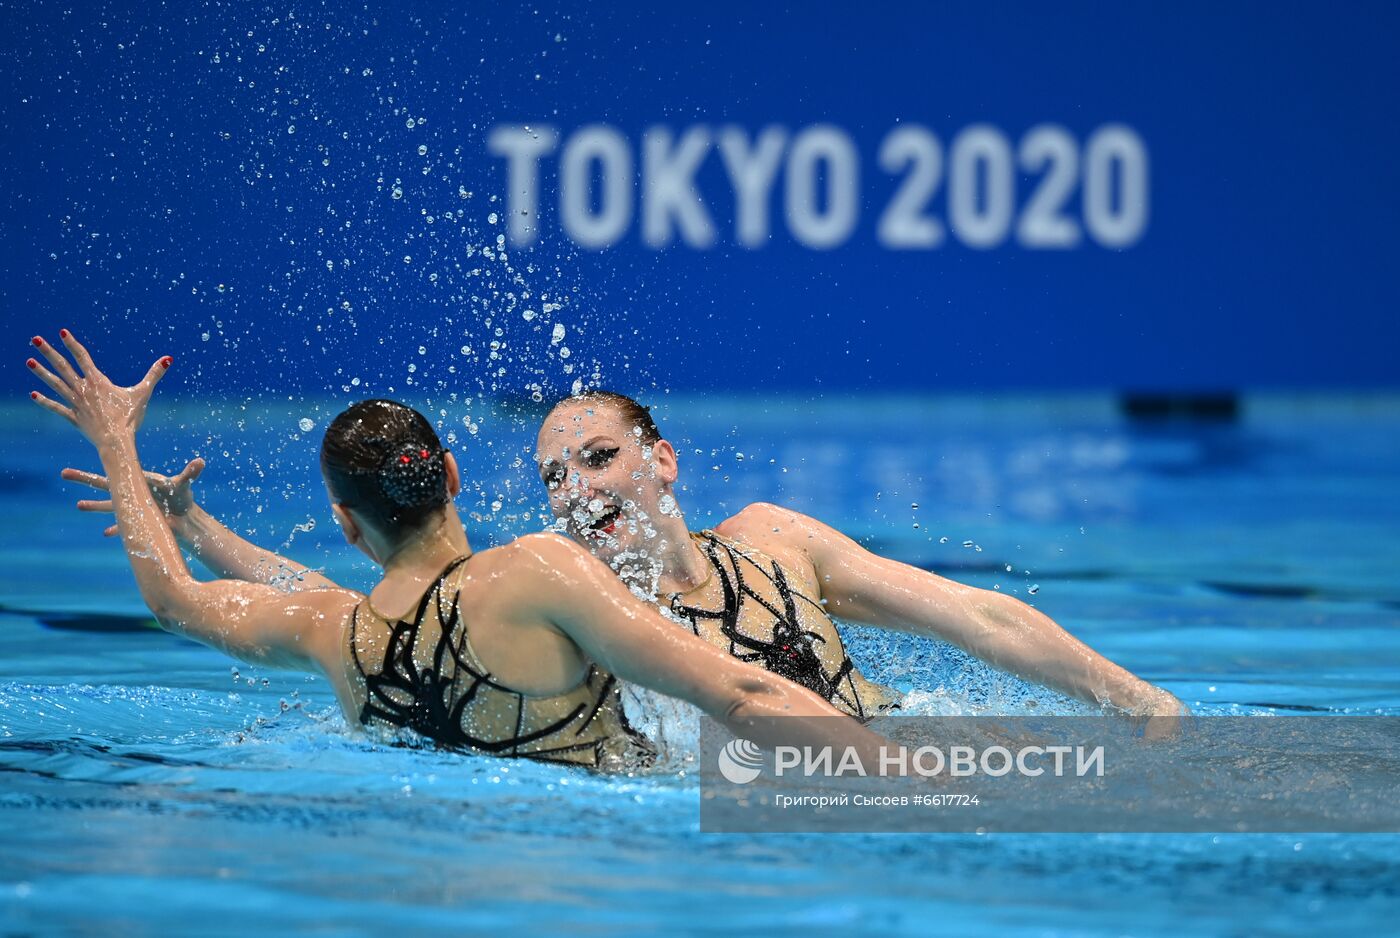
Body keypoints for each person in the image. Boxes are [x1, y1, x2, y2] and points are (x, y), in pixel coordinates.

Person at [26, 331, 896, 772]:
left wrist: (126, 456)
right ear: (450, 473)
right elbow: (742, 690)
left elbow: (178, 601)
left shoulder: (337, 635)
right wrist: (912, 779)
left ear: (348, 524)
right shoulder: (538, 573)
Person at [534, 390, 1187, 729]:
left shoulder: (769, 540)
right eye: (555, 478)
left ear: (664, 462)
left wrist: (1142, 701)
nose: (578, 490)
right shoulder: (585, 623)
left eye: (598, 457)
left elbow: (979, 619)